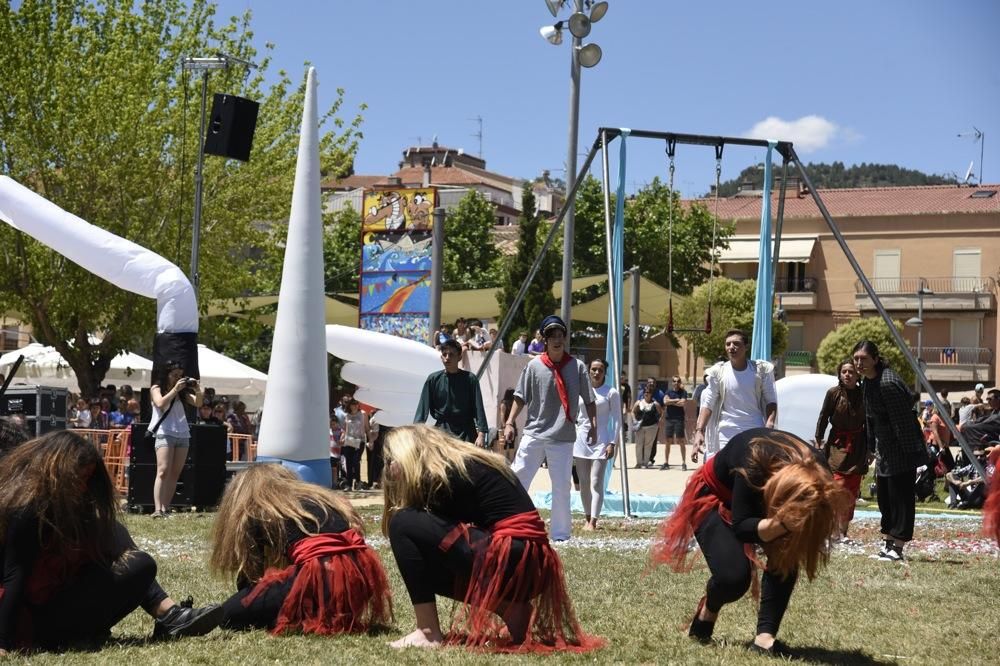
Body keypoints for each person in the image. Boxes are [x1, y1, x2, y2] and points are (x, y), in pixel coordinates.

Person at [381, 425, 604, 652]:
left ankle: (427, 632)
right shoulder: (463, 463)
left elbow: (425, 535)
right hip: (530, 562)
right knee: (422, 560)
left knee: (402, 522)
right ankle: (511, 609)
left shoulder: (446, 473)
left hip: (515, 555)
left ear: (409, 454)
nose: (387, 468)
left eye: (390, 460)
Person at [0, 431, 222, 655]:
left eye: (88, 479)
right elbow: (14, 575)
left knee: (119, 538)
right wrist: (4, 642)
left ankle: (169, 613)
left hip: (54, 599)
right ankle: (169, 614)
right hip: (33, 620)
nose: (83, 488)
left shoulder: (64, 506)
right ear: (56, 472)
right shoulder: (26, 509)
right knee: (138, 562)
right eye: (79, 478)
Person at [651, 428, 851, 656]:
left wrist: (794, 524)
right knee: (733, 579)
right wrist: (780, 524)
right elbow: (743, 526)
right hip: (715, 494)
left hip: (773, 499)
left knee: (787, 554)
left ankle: (764, 638)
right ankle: (709, 608)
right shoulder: (752, 461)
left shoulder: (819, 475)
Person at [209, 465, 392, 635]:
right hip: (360, 574)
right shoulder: (316, 497)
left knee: (228, 615)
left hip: (322, 574)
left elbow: (250, 577)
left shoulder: (256, 509)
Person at [502, 316, 596, 542]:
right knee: (518, 478)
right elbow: (520, 397)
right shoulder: (534, 366)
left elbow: (590, 400)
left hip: (563, 436)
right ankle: (510, 525)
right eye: (551, 335)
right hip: (534, 433)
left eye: (560, 335)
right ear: (544, 340)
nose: (556, 339)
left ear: (564, 338)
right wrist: (509, 422)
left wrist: (593, 426)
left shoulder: (577, 367)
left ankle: (561, 534)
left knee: (562, 486)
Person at [852, 340, 926, 562]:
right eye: (856, 358)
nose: (859, 363)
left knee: (900, 498)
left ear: (875, 359)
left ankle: (899, 547)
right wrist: (871, 447)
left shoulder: (887, 382)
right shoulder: (868, 382)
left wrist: (910, 457)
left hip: (902, 451)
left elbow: (903, 423)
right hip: (885, 450)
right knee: (885, 498)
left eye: (863, 359)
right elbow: (870, 418)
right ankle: (888, 543)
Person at [693, 329, 777, 461]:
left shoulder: (760, 370)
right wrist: (699, 431)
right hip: (725, 433)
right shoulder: (718, 372)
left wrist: (770, 424)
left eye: (736, 343)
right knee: (725, 475)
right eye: (728, 344)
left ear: (746, 347)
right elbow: (708, 403)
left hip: (754, 430)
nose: (731, 347)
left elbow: (771, 400)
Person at [814, 359, 868, 540]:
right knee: (838, 486)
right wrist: (818, 439)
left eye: (851, 372)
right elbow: (823, 416)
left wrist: (872, 449)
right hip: (837, 445)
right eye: (844, 371)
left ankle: (843, 531)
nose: (847, 375)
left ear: (857, 375)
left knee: (852, 489)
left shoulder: (864, 394)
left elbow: (870, 423)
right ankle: (832, 530)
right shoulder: (833, 393)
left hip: (858, 446)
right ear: (839, 374)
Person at [413, 338, 488, 446]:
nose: (447, 358)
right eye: (444, 354)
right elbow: (422, 409)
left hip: (466, 433)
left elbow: (478, 408)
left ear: (459, 357)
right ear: (441, 357)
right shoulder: (433, 379)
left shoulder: (470, 379)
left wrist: (481, 434)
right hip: (442, 433)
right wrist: (416, 432)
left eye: (452, 354)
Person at [149, 361, 200, 518]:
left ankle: (165, 507)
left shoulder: (183, 393)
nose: (178, 378)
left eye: (180, 375)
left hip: (182, 432)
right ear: (167, 374)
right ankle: (157, 509)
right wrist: (174, 390)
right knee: (163, 470)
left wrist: (198, 389)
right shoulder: (156, 388)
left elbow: (199, 403)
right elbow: (160, 403)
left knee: (175, 473)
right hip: (165, 432)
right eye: (175, 375)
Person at [574, 359, 620, 530]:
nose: (596, 373)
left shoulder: (611, 392)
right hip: (580, 441)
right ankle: (587, 517)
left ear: (604, 372)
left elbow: (617, 420)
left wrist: (612, 443)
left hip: (602, 441)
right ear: (588, 371)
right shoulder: (580, 391)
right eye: (593, 369)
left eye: (600, 370)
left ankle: (593, 520)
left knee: (595, 481)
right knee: (584, 481)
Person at [944, 445, 987, 509]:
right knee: (953, 479)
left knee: (982, 484)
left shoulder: (989, 466)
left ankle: (966, 504)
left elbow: (987, 478)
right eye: (976, 456)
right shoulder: (972, 466)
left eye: (981, 456)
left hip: (982, 497)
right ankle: (953, 504)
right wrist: (955, 482)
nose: (978, 458)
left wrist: (969, 482)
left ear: (985, 456)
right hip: (971, 495)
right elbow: (949, 474)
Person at [632, 381, 663, 470]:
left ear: (651, 394)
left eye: (648, 392)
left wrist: (659, 421)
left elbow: (661, 412)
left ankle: (645, 463)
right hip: (640, 427)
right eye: (645, 392)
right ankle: (638, 463)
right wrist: (634, 420)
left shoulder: (655, 404)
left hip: (652, 427)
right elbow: (633, 412)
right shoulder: (638, 402)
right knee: (638, 445)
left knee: (648, 445)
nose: (646, 394)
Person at [662, 376, 689, 471]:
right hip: (669, 419)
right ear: (672, 382)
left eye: (678, 381)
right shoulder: (668, 392)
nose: (676, 383)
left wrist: (670, 402)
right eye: (674, 381)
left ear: (680, 382)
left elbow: (682, 403)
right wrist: (676, 400)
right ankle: (666, 463)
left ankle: (683, 463)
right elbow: (665, 401)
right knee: (668, 441)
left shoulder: (683, 392)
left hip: (679, 419)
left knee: (681, 441)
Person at [342, 399, 368, 491]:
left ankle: (358, 482)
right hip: (349, 441)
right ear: (349, 405)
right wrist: (342, 438)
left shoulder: (363, 414)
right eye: (353, 404)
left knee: (356, 461)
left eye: (357, 404)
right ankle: (349, 484)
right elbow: (345, 429)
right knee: (348, 463)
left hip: (360, 441)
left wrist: (370, 440)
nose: (356, 406)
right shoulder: (346, 415)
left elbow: (367, 428)